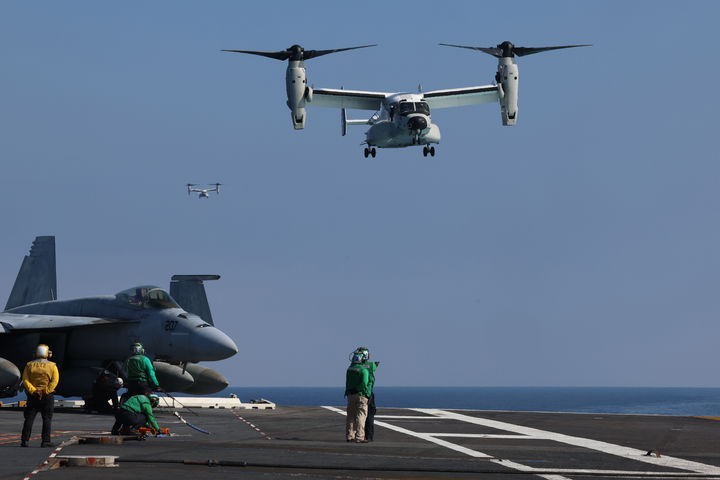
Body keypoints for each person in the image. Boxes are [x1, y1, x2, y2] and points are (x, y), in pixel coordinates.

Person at [20, 344, 59, 447]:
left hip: (33, 396)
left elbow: (25, 380)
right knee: (46, 418)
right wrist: (45, 391)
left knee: (29, 418)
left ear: (35, 354)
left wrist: (34, 391)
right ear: (48, 354)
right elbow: (55, 381)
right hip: (47, 396)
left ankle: (25, 440)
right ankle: (45, 441)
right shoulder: (52, 366)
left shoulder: (29, 365)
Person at [345, 349, 371, 443]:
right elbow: (364, 383)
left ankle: (349, 435)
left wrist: (349, 391)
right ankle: (360, 436)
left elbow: (347, 382)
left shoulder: (349, 369)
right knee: (361, 416)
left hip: (350, 395)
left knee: (350, 416)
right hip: (361, 395)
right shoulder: (364, 370)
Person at [356, 347, 379, 441]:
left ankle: (360, 435)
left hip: (359, 392)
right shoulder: (370, 365)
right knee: (369, 415)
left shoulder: (355, 366)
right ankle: (368, 436)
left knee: (359, 416)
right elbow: (375, 365)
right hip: (368, 393)